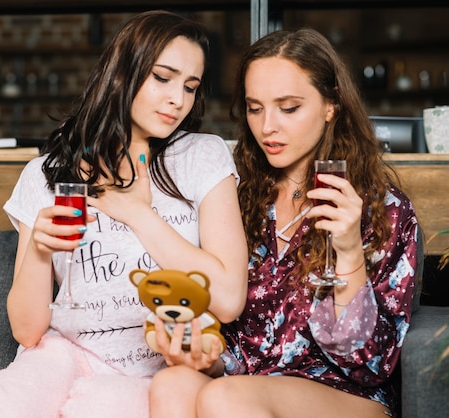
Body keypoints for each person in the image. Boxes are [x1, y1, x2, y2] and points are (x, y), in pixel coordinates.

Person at [0, 10, 248, 418]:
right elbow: (27, 331)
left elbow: (229, 299)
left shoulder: (200, 157)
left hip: (150, 371)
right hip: (64, 354)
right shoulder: (48, 174)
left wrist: (138, 215)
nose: (178, 99)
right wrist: (39, 248)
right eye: (162, 78)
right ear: (122, 74)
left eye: (190, 86)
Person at [149, 28, 420, 418]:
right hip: (251, 385)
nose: (267, 127)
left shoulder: (383, 209)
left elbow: (369, 364)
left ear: (331, 105)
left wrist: (347, 250)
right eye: (254, 108)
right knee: (171, 382)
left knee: (225, 397)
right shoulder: (239, 199)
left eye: (288, 108)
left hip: (348, 395)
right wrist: (205, 355)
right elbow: (238, 348)